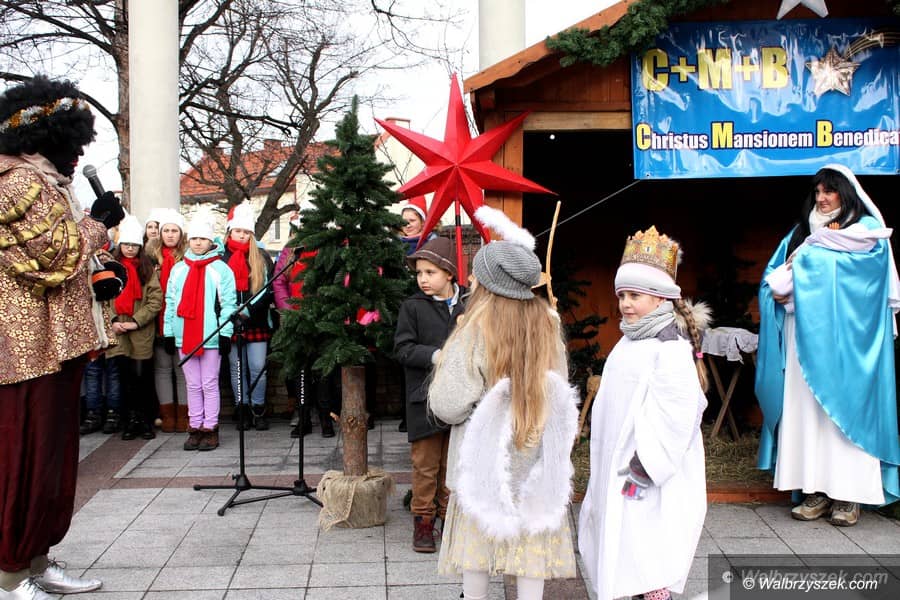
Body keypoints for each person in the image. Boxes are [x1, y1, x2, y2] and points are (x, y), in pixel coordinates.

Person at [0, 75, 125, 598]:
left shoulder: (46, 181)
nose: (78, 155)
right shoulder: (17, 182)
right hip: (29, 350)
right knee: (26, 461)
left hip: (56, 345)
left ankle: (35, 559)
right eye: (71, 144)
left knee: (51, 460)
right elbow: (53, 256)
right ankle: (10, 574)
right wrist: (99, 224)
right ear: (44, 137)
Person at [428, 206, 578, 600]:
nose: (470, 280)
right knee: (531, 546)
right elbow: (559, 390)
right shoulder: (549, 325)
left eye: (475, 274)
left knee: (477, 546)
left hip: (482, 460)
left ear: (488, 283)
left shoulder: (474, 328)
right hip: (534, 457)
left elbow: (446, 404)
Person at [756, 164, 900, 526]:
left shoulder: (866, 230)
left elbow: (869, 279)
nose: (821, 199)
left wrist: (808, 264)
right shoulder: (800, 232)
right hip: (802, 340)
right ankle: (815, 491)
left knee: (844, 415)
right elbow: (771, 278)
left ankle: (849, 497)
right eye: (817, 192)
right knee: (808, 416)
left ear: (845, 194)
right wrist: (781, 285)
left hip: (846, 345)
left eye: (829, 192)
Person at [577, 226, 709, 600]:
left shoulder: (669, 348)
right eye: (621, 295)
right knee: (623, 539)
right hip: (618, 464)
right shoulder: (630, 340)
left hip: (645, 468)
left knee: (645, 539)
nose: (625, 303)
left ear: (660, 297)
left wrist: (644, 466)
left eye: (634, 295)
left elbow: (678, 413)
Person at [394, 236, 467, 553]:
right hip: (423, 399)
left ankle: (450, 519)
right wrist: (436, 355)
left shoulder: (470, 303)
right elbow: (403, 348)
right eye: (419, 273)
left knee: (454, 463)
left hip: (461, 397)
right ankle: (423, 522)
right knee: (425, 465)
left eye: (430, 272)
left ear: (449, 273)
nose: (422, 279)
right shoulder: (412, 307)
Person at [164, 212, 237, 452]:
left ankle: (210, 427)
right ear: (188, 240)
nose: (197, 243)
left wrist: (225, 333)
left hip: (211, 336)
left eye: (202, 239)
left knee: (209, 383)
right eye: (194, 238)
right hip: (184, 334)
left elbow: (229, 304)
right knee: (192, 384)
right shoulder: (178, 269)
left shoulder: (220, 269)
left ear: (210, 241)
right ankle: (194, 426)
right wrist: (168, 332)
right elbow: (171, 302)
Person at [272, 211, 335, 438]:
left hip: (322, 320)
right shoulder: (290, 252)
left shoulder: (327, 251)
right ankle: (304, 418)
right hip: (296, 320)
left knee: (323, 372)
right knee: (301, 372)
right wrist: (288, 311)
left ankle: (326, 418)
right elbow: (279, 282)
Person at [106, 214, 163, 440]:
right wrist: (113, 321)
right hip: (118, 329)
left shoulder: (146, 270)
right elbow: (102, 298)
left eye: (134, 245)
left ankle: (145, 420)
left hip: (140, 330)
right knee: (125, 378)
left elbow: (155, 300)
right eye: (126, 244)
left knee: (142, 377)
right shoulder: (110, 268)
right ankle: (131, 420)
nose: (130, 249)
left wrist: (136, 321)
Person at [222, 201, 275, 431]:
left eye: (246, 232)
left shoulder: (261, 257)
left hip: (256, 319)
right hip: (230, 320)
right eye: (238, 231)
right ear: (230, 232)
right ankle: (241, 407)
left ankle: (258, 407)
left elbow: (268, 289)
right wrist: (232, 312)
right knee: (236, 368)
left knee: (258, 367)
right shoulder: (220, 258)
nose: (242, 235)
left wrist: (248, 310)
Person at [149, 208, 189, 432]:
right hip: (158, 318)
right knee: (163, 368)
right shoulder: (150, 257)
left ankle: (184, 415)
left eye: (174, 230)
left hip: (181, 318)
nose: (170, 235)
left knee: (181, 368)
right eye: (166, 230)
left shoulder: (187, 257)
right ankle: (167, 415)